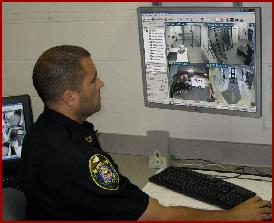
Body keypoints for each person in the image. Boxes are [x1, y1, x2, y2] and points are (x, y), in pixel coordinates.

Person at [21, 45, 272, 221]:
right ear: (70, 97)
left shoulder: (39, 133)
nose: (101, 84)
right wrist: (232, 217)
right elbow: (157, 216)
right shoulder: (78, 160)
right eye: (93, 79)